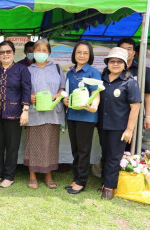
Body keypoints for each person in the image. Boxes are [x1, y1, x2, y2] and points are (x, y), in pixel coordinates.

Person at [98, 47, 141, 199]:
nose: (115, 64)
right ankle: (105, 183)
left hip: (119, 127)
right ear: (107, 63)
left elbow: (135, 107)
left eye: (118, 61)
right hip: (102, 125)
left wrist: (129, 130)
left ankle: (109, 188)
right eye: (112, 61)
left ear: (125, 64)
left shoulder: (129, 83)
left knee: (114, 157)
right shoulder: (102, 80)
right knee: (105, 154)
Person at [25, 38, 66, 189]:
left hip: (53, 112)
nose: (41, 53)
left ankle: (48, 175)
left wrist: (59, 94)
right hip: (35, 113)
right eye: (38, 50)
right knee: (33, 144)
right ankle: (32, 175)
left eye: (44, 50)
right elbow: (23, 91)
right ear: (33, 52)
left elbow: (63, 87)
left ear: (49, 52)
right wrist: (29, 97)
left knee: (50, 144)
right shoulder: (28, 70)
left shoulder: (56, 68)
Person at [0, 40, 31, 188]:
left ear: (13, 53)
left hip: (15, 114)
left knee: (12, 146)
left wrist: (25, 111)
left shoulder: (22, 70)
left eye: (8, 51)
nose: (5, 54)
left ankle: (9, 176)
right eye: (2, 52)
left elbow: (27, 91)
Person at [63, 41, 101, 194]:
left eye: (85, 53)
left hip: (86, 117)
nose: (82, 55)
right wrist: (66, 100)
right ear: (74, 54)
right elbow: (68, 93)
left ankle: (81, 181)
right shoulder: (70, 72)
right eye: (79, 52)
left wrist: (94, 106)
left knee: (83, 150)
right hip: (72, 115)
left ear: (90, 55)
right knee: (75, 150)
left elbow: (96, 94)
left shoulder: (93, 72)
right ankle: (76, 178)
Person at [117, 38, 150, 130]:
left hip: (135, 115)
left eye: (129, 49)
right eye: (123, 49)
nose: (126, 52)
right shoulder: (110, 70)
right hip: (114, 116)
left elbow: (147, 95)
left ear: (134, 52)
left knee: (132, 143)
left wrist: (148, 116)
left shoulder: (143, 70)